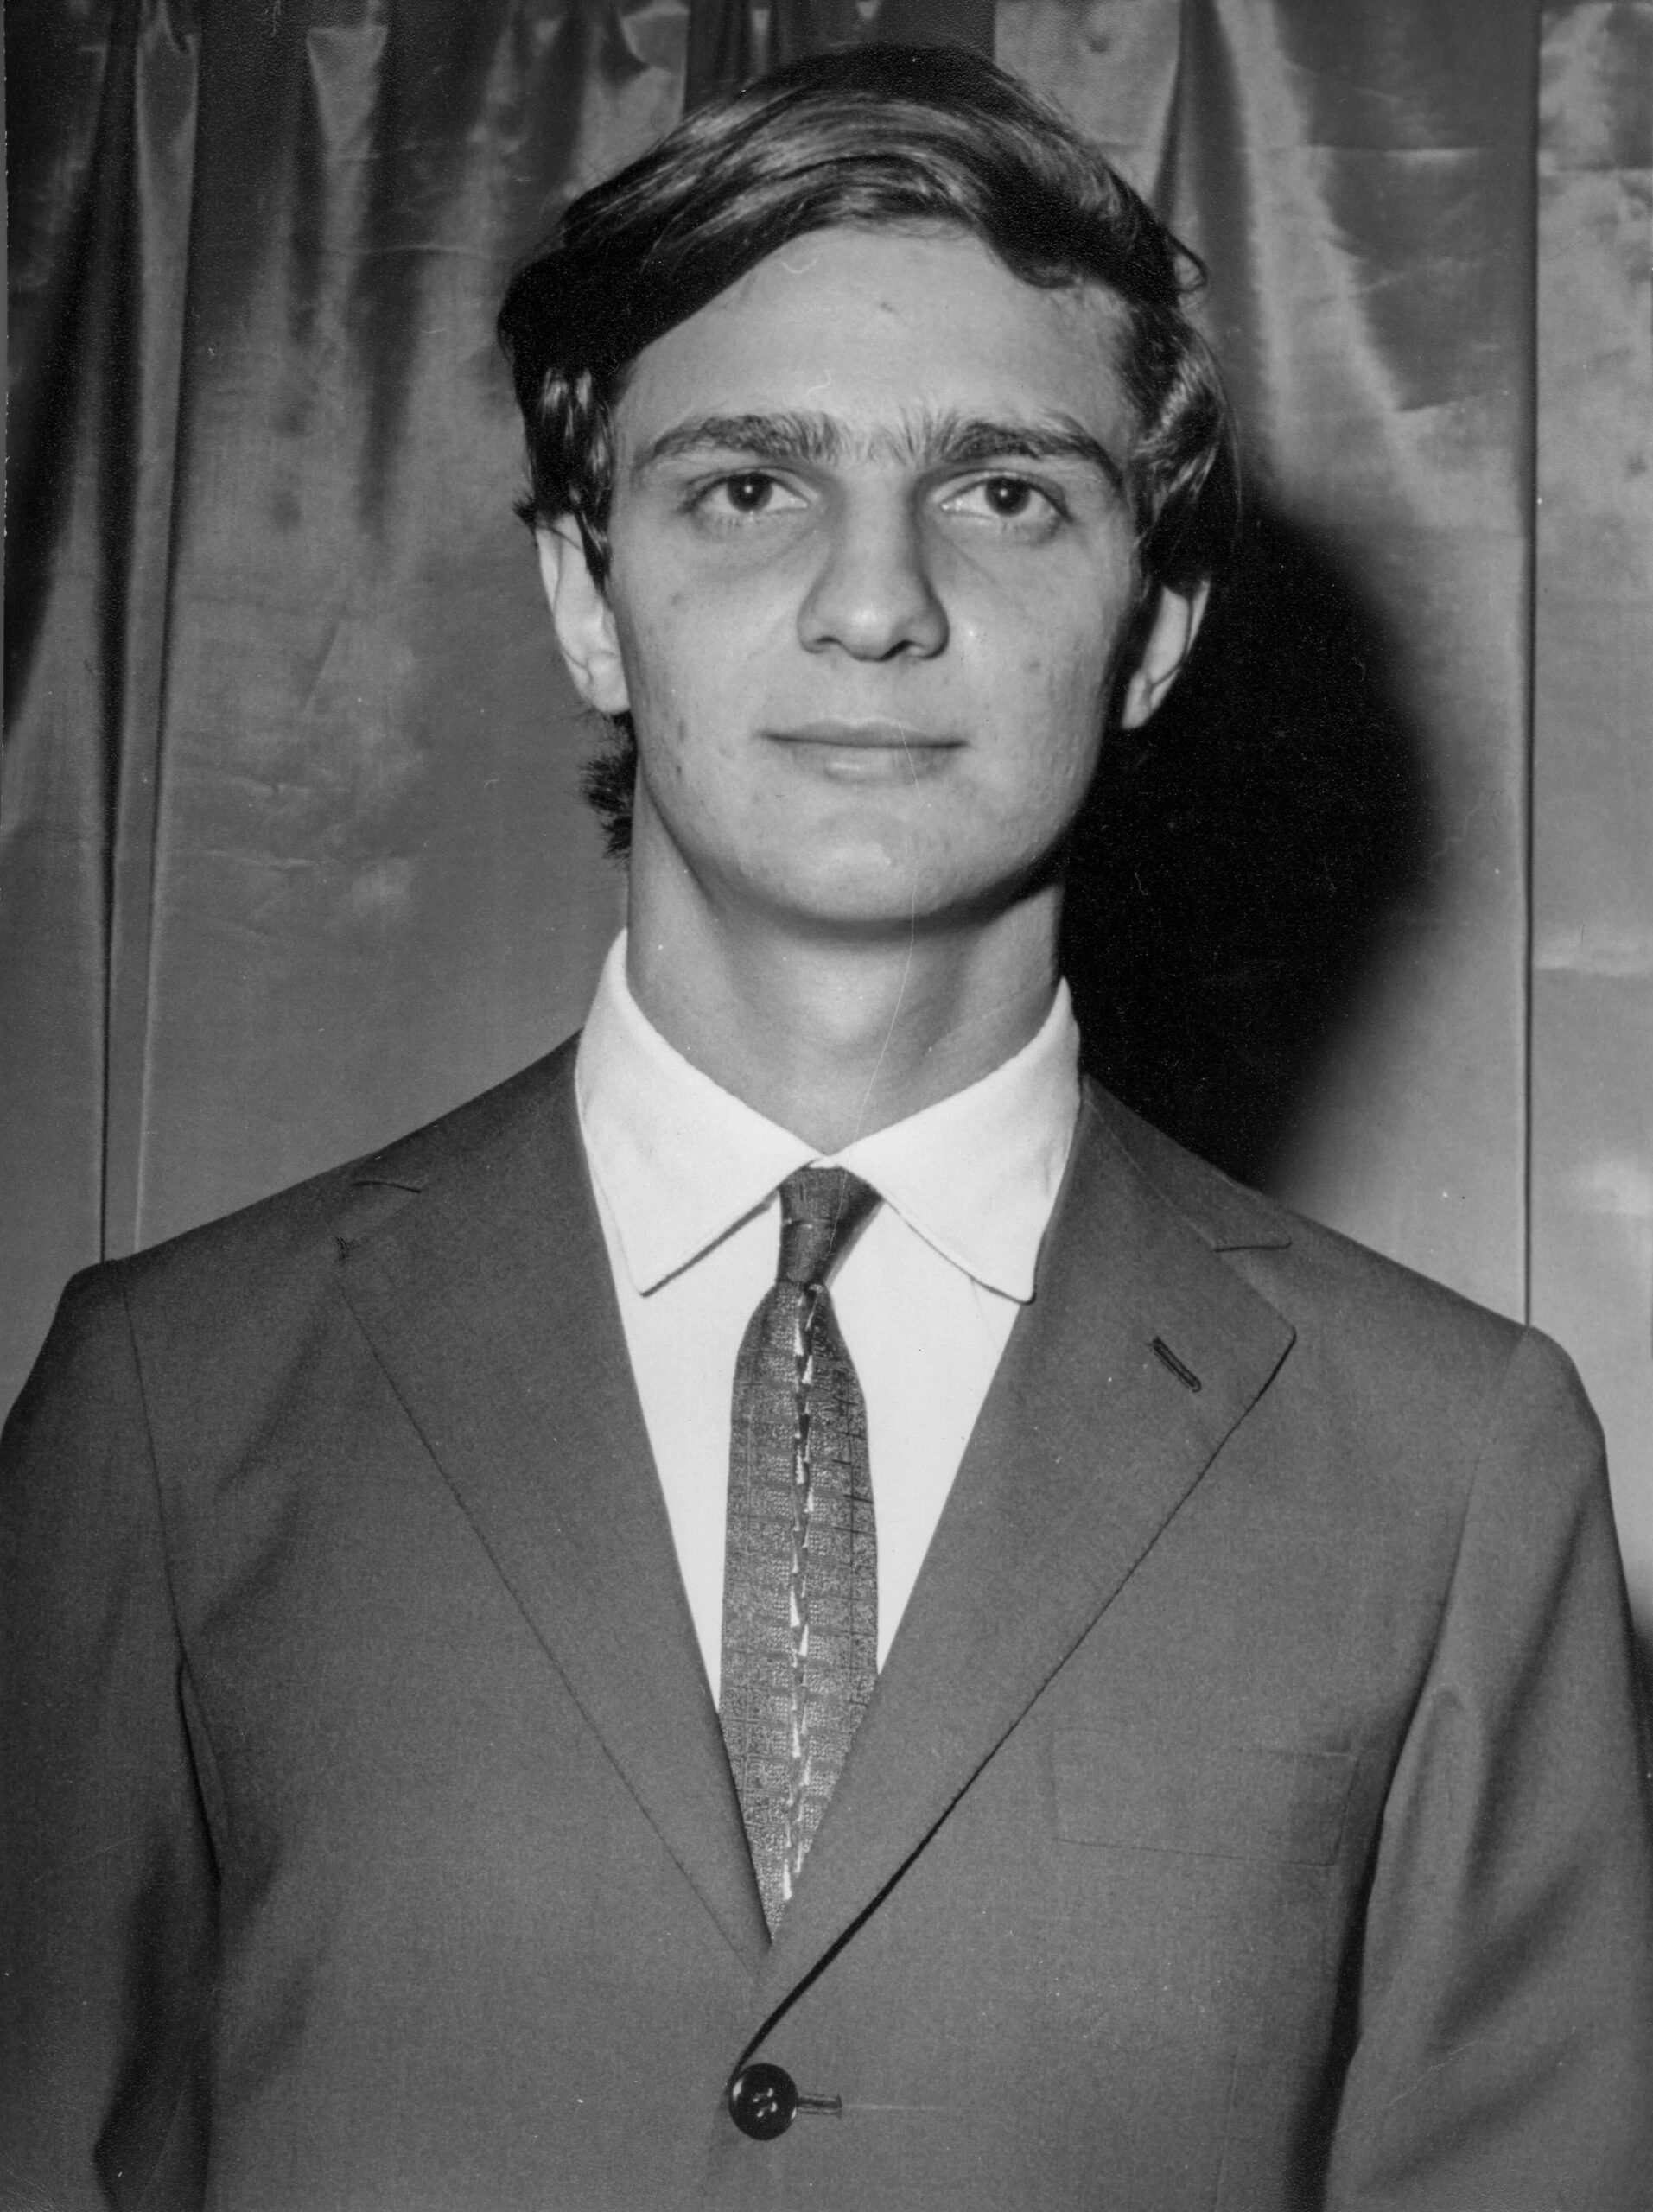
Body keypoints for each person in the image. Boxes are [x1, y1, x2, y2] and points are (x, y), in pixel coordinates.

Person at [3, 43, 1650, 2212]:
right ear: (587, 596)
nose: (876, 601)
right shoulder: (167, 1398)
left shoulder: (1454, 1466)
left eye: (1004, 492)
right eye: (748, 486)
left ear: (1154, 627)